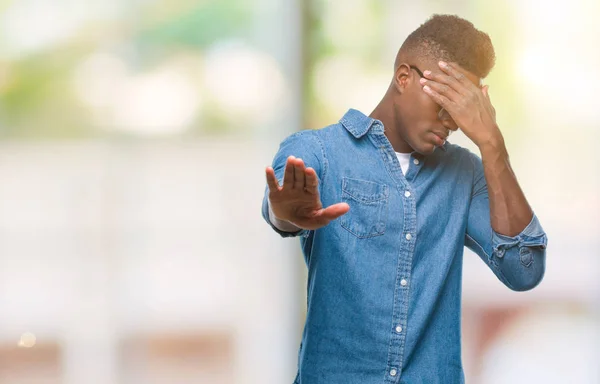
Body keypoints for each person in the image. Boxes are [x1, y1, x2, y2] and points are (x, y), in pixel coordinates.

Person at [261, 14, 547, 384]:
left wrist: (493, 143)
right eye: (444, 101)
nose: (453, 121)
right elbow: (280, 206)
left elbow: (524, 272)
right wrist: (284, 215)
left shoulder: (466, 173)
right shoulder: (318, 151)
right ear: (404, 78)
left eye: (462, 108)